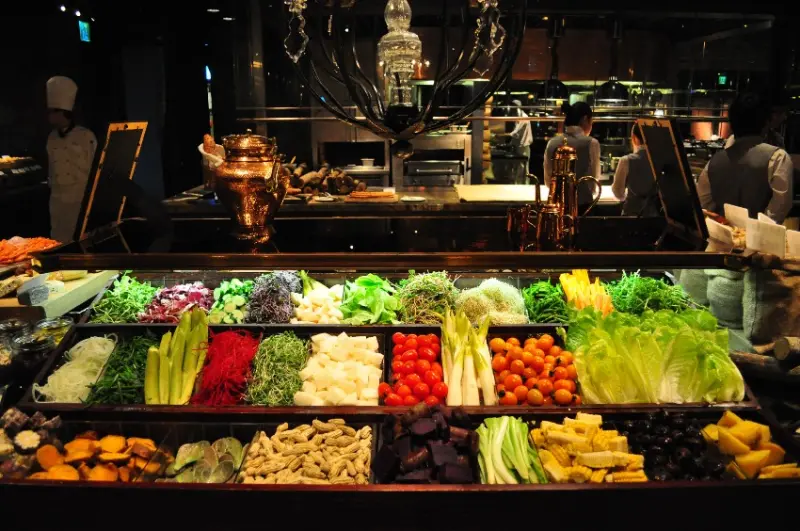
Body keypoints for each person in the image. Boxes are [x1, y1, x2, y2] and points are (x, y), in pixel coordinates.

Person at [697, 92, 793, 223]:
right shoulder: (778, 158)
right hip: (760, 235)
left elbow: (703, 204)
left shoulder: (714, 162)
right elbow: (780, 208)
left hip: (723, 233)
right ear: (766, 122)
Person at [46, 76, 97, 242]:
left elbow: (96, 170)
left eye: (53, 112)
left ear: (63, 113)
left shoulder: (86, 136)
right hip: (59, 205)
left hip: (79, 203)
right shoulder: (51, 138)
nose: (49, 116)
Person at [543, 102, 601, 205]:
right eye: (591, 122)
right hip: (583, 205)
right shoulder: (592, 143)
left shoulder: (552, 143)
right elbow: (594, 179)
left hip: (557, 205)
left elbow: (548, 180)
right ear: (585, 119)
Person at [611, 124, 660, 217]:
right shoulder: (659, 160)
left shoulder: (626, 160)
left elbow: (617, 192)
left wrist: (626, 196)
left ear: (634, 138)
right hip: (653, 215)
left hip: (631, 215)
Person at [508, 99, 533, 184]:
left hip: (524, 145)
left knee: (523, 167)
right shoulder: (517, 116)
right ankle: (517, 184)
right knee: (517, 166)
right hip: (518, 145)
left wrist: (502, 135)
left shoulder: (523, 117)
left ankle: (525, 185)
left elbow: (516, 132)